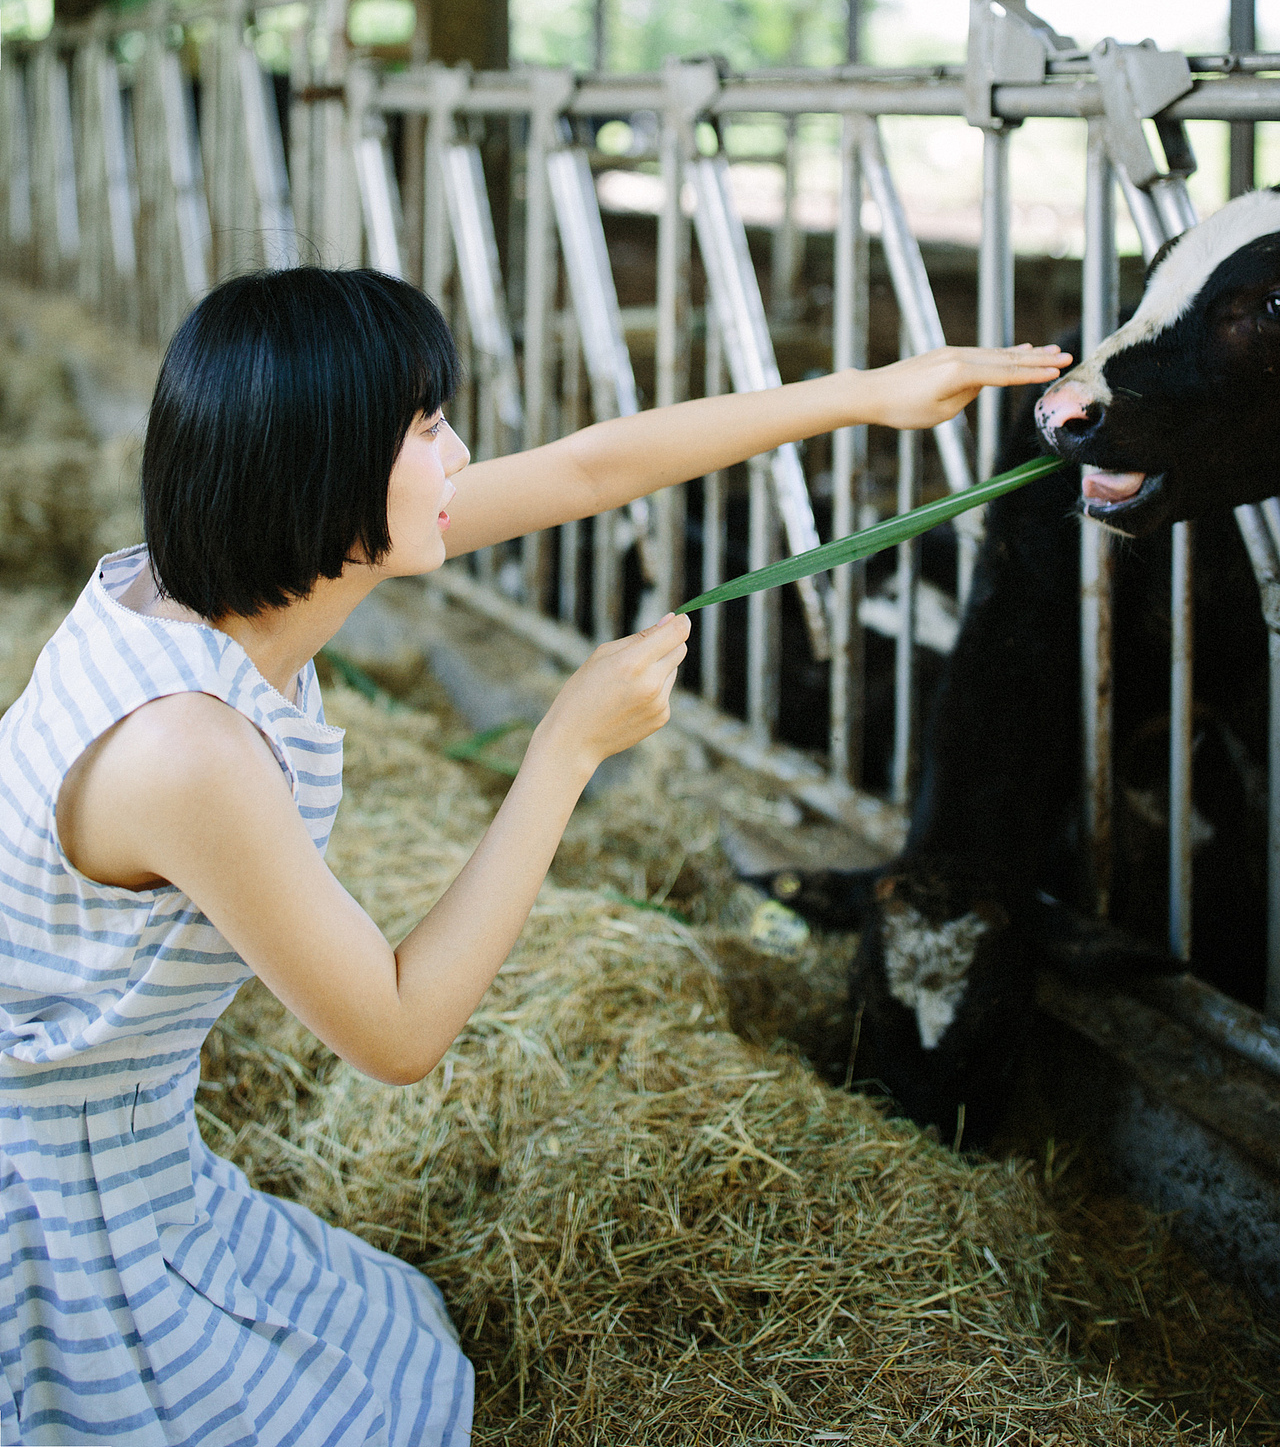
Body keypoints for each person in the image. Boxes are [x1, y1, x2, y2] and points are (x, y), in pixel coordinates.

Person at [0, 267, 1069, 1445]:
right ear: (324, 466)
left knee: (373, 1350)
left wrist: (867, 393)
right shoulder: (185, 750)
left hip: (130, 1137)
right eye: (426, 428)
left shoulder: (194, 575)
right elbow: (398, 1037)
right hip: (52, 1199)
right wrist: (566, 749)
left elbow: (586, 470)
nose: (459, 451)